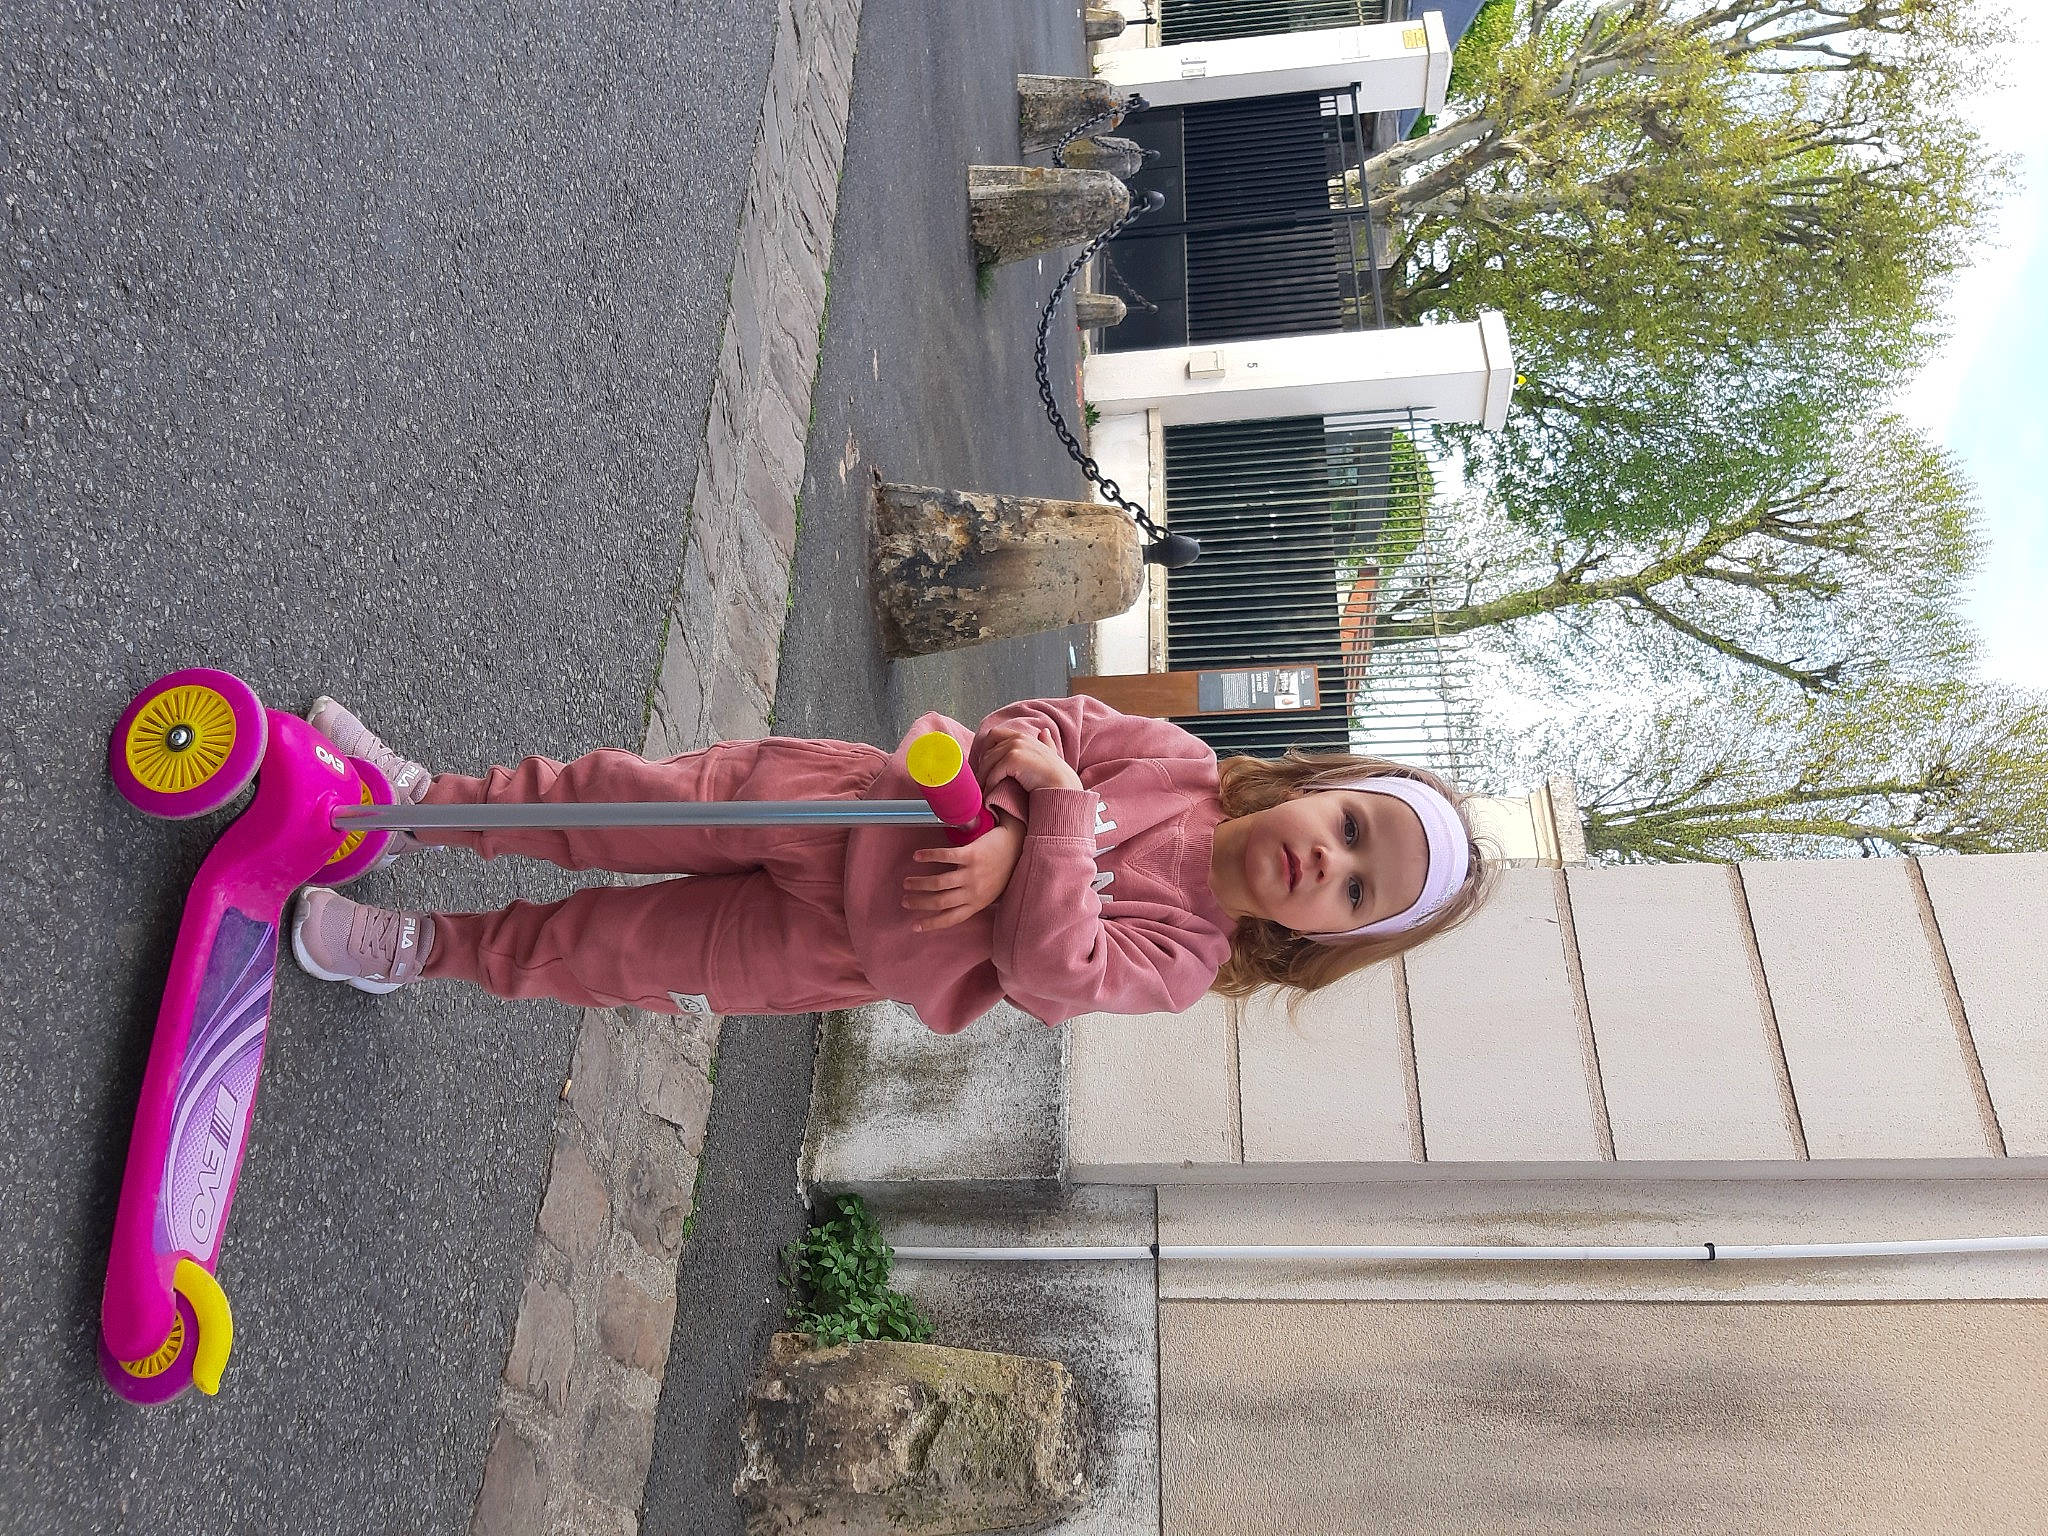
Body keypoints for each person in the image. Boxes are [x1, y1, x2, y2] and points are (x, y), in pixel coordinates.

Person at [291, 693, 1493, 1032]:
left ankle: (423, 948)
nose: (1322, 862)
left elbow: (1048, 963)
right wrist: (1036, 810)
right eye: (1349, 829)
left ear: (1326, 936)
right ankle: (418, 804)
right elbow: (1032, 726)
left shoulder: (1183, 958)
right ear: (1322, 787)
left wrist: (1046, 843)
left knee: (608, 952)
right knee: (611, 803)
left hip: (839, 945)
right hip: (836, 811)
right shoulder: (1174, 757)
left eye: (1353, 890)